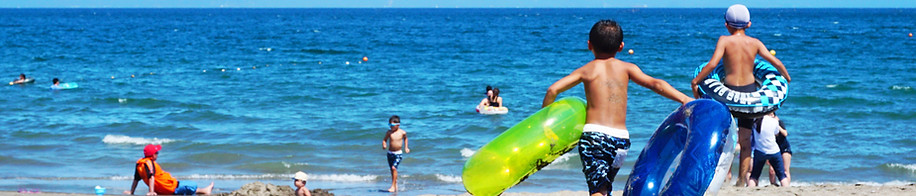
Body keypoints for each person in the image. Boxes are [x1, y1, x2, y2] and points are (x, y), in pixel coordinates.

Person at [542, 20, 693, 196]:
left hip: (595, 139)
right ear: (621, 46)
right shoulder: (627, 68)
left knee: (597, 191)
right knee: (605, 188)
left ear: (589, 45)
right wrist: (684, 98)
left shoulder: (586, 70)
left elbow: (553, 89)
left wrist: (546, 121)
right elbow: (655, 84)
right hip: (621, 142)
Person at [690, 4, 791, 187]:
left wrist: (696, 81)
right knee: (745, 142)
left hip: (727, 94)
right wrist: (787, 77)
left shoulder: (724, 40)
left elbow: (713, 65)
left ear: (726, 25)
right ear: (749, 24)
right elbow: (774, 61)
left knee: (722, 137)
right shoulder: (755, 43)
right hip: (749, 94)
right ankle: (740, 181)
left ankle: (720, 177)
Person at [126, 144, 214, 195]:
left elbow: (136, 179)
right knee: (193, 185)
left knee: (186, 188)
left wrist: (131, 191)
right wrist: (151, 192)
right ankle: (206, 190)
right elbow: (151, 177)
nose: (158, 154)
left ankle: (204, 190)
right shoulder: (149, 163)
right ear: (153, 155)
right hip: (170, 188)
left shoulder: (139, 164)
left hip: (161, 189)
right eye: (157, 153)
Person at [748, 112, 789, 187]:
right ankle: (786, 190)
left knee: (754, 176)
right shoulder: (774, 121)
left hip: (760, 151)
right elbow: (776, 133)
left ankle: (749, 191)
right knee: (782, 176)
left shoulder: (755, 121)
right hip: (774, 151)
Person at [382, 115, 409, 192]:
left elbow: (406, 139)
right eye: (389, 125)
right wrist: (384, 144)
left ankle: (393, 186)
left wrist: (406, 147)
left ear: (398, 125)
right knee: (392, 170)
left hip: (398, 154)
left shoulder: (402, 132)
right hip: (390, 153)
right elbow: (384, 140)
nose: (391, 127)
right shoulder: (389, 132)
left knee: (394, 168)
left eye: (392, 125)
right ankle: (395, 184)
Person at [767, 113, 792, 186]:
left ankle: (787, 186)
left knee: (785, 170)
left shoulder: (779, 122)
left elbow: (785, 133)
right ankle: (773, 184)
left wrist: (777, 125)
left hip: (784, 148)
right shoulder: (767, 125)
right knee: (771, 170)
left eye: (771, 115)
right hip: (773, 148)